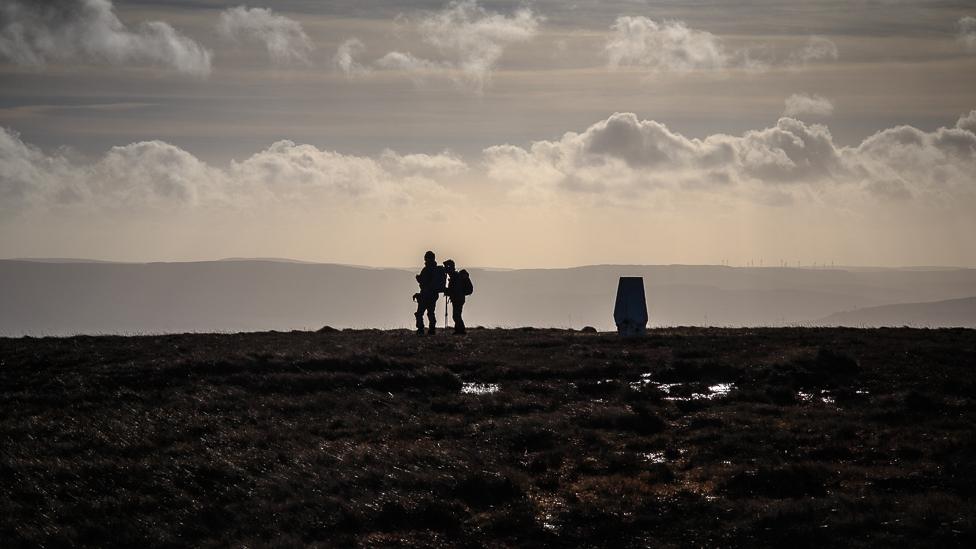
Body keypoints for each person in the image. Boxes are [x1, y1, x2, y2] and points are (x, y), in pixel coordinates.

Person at [414, 250, 445, 335]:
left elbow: (423, 282)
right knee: (431, 312)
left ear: (426, 258)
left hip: (425, 294)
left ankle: (420, 329)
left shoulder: (426, 269)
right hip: (434, 295)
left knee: (419, 313)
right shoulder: (437, 269)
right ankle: (432, 330)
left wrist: (418, 279)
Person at [443, 259, 472, 335]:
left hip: (458, 298)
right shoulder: (455, 276)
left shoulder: (455, 277)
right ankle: (458, 330)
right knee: (456, 315)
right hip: (458, 298)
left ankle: (461, 331)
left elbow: (455, 289)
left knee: (456, 315)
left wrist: (448, 291)